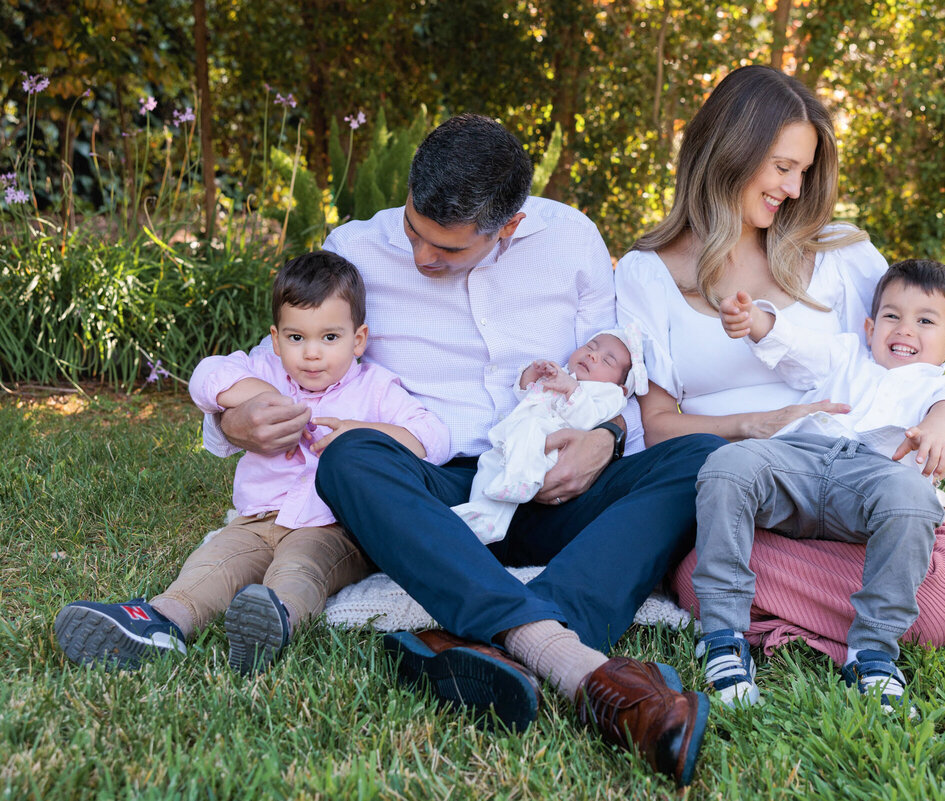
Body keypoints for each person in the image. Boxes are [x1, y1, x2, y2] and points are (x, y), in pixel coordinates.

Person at [208, 115, 718, 787]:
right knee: (351, 458)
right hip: (436, 495)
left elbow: (614, 367)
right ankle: (566, 657)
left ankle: (475, 636)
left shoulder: (573, 240)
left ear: (507, 226)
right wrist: (233, 417)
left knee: (701, 454)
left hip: (556, 483)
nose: (424, 257)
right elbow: (273, 365)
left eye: (447, 250)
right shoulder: (355, 247)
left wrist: (608, 437)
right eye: (417, 232)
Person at [615, 65, 945, 710]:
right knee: (707, 565)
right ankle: (805, 613)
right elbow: (657, 430)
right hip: (740, 491)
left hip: (855, 483)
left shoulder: (841, 255)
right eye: (781, 167)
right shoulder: (646, 273)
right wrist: (755, 423)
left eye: (804, 171)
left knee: (924, 588)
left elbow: (916, 367)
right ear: (730, 152)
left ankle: (849, 606)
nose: (794, 187)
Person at [54, 251, 451, 675]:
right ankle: (160, 622)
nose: (312, 354)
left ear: (358, 339)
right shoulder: (267, 371)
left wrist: (363, 434)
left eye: (329, 338)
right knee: (214, 564)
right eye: (297, 338)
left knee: (301, 569)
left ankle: (271, 621)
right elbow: (207, 376)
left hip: (332, 527)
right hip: (256, 519)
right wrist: (263, 396)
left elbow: (436, 438)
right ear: (276, 339)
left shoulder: (375, 389)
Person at [695, 258, 945, 713]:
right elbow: (791, 343)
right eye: (892, 316)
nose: (904, 329)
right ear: (870, 327)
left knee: (913, 499)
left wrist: (935, 428)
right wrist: (754, 321)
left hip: (875, 479)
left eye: (925, 321)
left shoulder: (944, 385)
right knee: (728, 464)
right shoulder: (846, 355)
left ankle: (872, 653)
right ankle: (723, 636)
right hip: (801, 463)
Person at [452, 326, 648, 543]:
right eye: (590, 347)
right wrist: (531, 376)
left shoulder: (609, 395)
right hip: (513, 444)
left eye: (607, 361)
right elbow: (526, 396)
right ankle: (485, 519)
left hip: (552, 449)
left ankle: (516, 485)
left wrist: (572, 390)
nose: (593, 355)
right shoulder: (563, 373)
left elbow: (588, 419)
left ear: (622, 387)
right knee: (489, 464)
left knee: (531, 431)